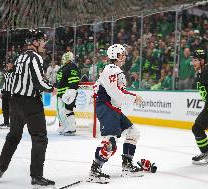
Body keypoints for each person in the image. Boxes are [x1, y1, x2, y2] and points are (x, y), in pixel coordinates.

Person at [0, 29, 57, 187]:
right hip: (30, 103)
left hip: (15, 101)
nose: (44, 44)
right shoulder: (35, 58)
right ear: (35, 42)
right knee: (40, 137)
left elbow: (13, 78)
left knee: (13, 136)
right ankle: (36, 176)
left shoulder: (20, 57)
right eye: (42, 41)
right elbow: (38, 83)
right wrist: (51, 88)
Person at [88, 44, 143, 183]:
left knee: (133, 132)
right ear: (115, 56)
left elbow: (100, 89)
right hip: (107, 107)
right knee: (110, 141)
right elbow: (115, 93)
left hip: (111, 108)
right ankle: (95, 170)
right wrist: (133, 96)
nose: (124, 56)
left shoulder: (112, 70)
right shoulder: (111, 69)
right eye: (121, 54)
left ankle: (127, 166)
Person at [56, 51, 80, 136]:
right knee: (61, 111)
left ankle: (71, 128)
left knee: (68, 110)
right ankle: (65, 125)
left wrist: (72, 91)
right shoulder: (63, 67)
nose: (62, 59)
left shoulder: (72, 66)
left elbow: (74, 79)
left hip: (68, 93)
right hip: (61, 93)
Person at [0, 61, 14, 129]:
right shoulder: (6, 73)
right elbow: (5, 83)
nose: (8, 64)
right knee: (4, 108)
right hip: (5, 93)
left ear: (12, 64)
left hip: (11, 93)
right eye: (8, 63)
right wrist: (2, 92)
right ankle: (6, 122)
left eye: (10, 63)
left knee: (11, 108)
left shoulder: (15, 72)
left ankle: (12, 123)